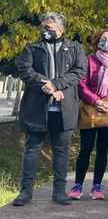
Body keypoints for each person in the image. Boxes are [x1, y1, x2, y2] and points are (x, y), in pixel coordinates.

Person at [12, 12, 87, 206]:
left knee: (61, 151)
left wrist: (56, 85)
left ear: (61, 30)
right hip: (36, 108)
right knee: (31, 150)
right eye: (43, 26)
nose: (45, 30)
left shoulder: (75, 48)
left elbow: (79, 71)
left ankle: (59, 191)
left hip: (64, 109)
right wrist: (47, 86)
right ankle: (26, 191)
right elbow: (25, 71)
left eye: (49, 28)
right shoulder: (31, 48)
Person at [71, 29, 108, 200]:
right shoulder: (88, 60)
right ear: (97, 42)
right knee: (86, 147)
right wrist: (96, 101)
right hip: (90, 108)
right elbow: (81, 85)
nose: (107, 42)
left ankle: (97, 185)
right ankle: (78, 185)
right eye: (104, 39)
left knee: (102, 149)